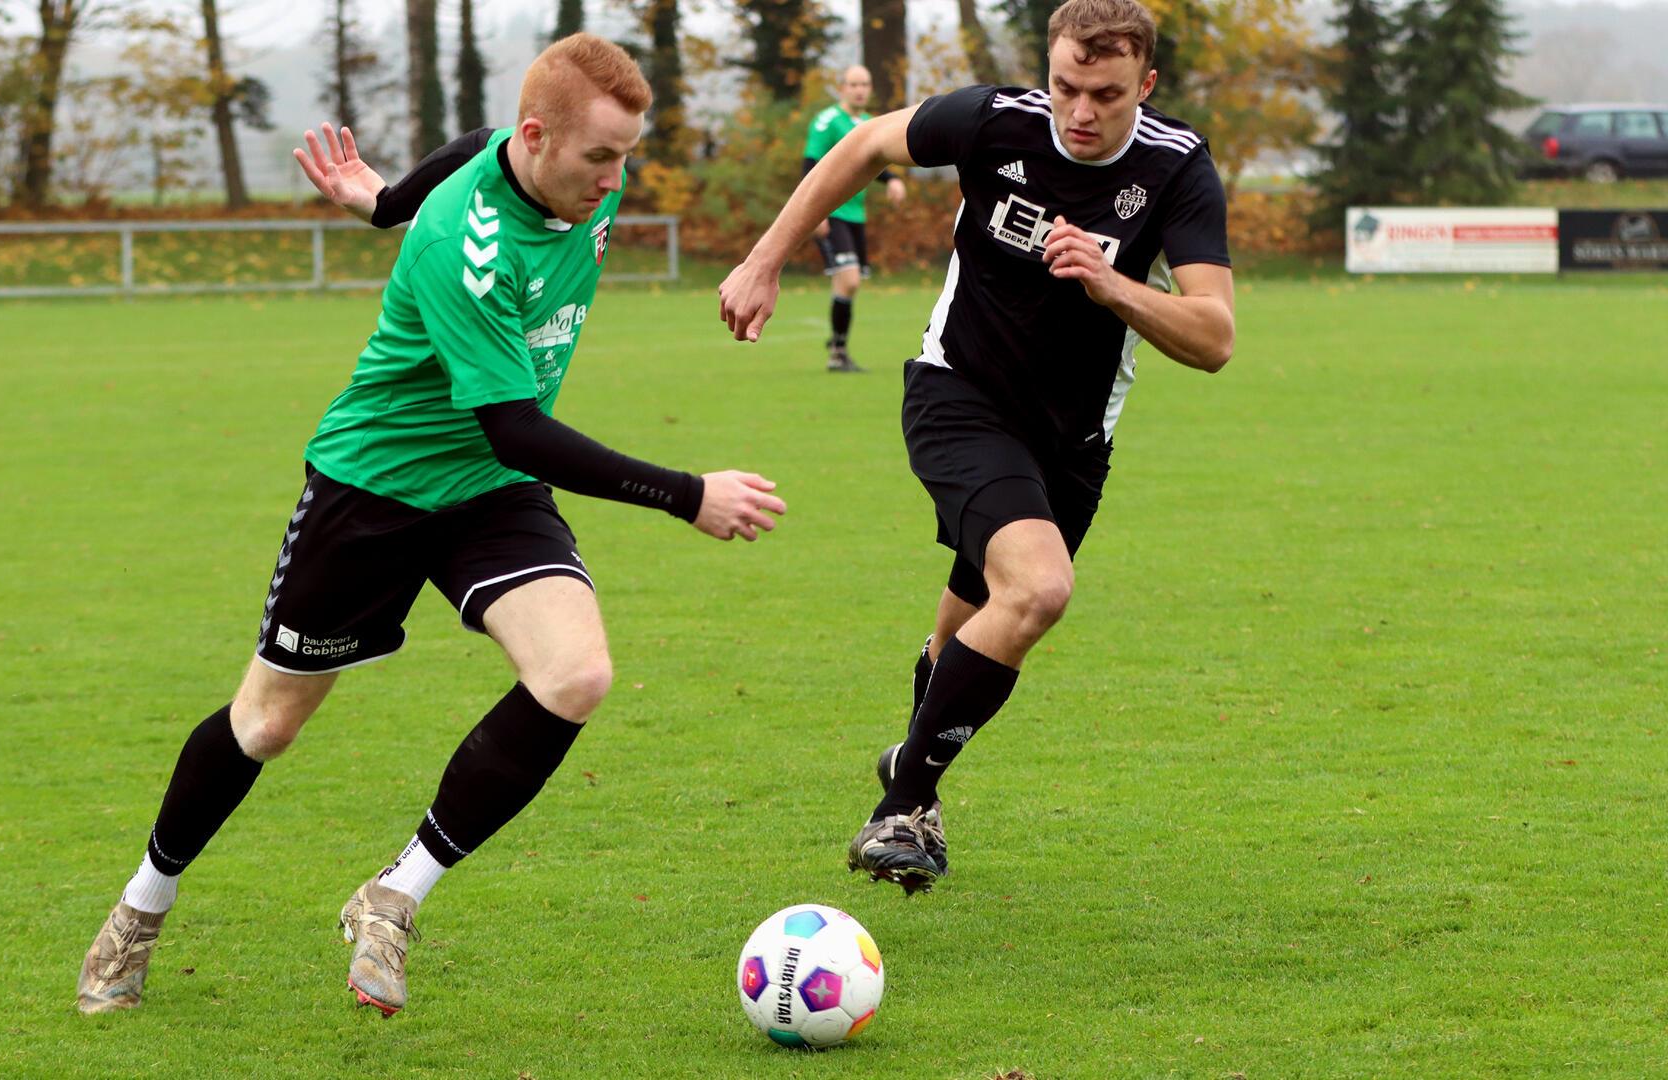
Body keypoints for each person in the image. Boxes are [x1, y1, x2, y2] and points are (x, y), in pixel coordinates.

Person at [77, 32, 787, 1018]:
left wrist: (382, 197)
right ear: (541, 139)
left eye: (626, 154)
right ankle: (140, 907)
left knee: (576, 675)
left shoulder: (553, 164)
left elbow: (473, 141)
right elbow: (517, 426)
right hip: (376, 489)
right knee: (267, 724)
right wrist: (685, 493)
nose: (616, 180)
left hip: (488, 492)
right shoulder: (465, 243)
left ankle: (393, 896)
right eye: (600, 157)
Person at [719, 0, 1234, 894]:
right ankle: (904, 807)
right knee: (1038, 589)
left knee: (975, 618)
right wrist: (766, 258)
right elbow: (864, 147)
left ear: (1144, 86)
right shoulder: (997, 122)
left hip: (1072, 441)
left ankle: (905, 767)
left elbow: (1214, 335)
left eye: (1104, 95)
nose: (1079, 111)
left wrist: (1114, 286)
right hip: (958, 395)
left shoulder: (1175, 168)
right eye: (1065, 85)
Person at [803, 65, 907, 373]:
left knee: (848, 284)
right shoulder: (827, 121)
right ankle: (837, 352)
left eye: (865, 84)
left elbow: (870, 162)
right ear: (842, 88)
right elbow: (810, 166)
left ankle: (837, 349)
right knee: (848, 280)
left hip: (855, 215)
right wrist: (813, 213)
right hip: (832, 213)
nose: (860, 89)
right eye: (853, 84)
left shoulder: (867, 124)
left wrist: (890, 179)